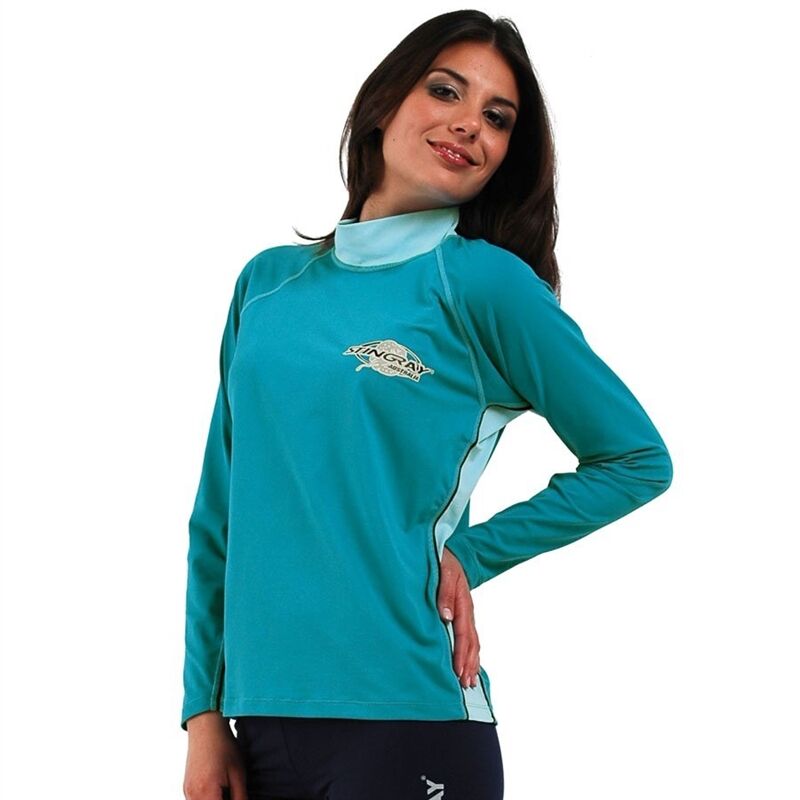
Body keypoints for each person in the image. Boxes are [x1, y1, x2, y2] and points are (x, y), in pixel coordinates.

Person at [181, 10, 673, 800]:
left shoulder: (483, 284)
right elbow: (220, 512)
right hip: (259, 725)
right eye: (446, 91)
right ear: (384, 104)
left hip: (411, 717)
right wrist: (202, 713)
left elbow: (636, 459)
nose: (469, 124)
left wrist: (471, 554)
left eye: (497, 118)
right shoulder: (266, 285)